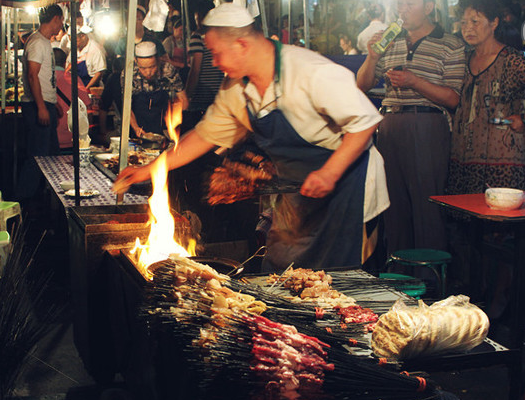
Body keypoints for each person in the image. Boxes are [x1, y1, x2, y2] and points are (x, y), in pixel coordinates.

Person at [114, 3, 389, 272]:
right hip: (299, 195)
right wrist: (148, 170)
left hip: (348, 188)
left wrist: (330, 172)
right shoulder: (236, 88)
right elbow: (202, 137)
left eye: (216, 53)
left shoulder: (309, 70)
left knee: (339, 284)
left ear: (242, 45)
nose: (215, 62)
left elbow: (364, 122)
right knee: (280, 268)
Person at [356, 0, 465, 254]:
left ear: (429, 8)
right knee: (394, 206)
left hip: (427, 125)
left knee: (427, 206)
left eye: (409, 4)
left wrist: (415, 81)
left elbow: (453, 98)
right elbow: (361, 85)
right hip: (391, 123)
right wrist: (373, 57)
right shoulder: (391, 40)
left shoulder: (450, 44)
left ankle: (429, 281)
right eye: (399, 4)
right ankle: (399, 276)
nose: (401, 9)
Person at [448, 0, 525, 195]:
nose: (468, 29)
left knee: (498, 218)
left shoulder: (513, 61)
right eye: (464, 23)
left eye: (475, 21)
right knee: (465, 217)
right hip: (464, 156)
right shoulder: (462, 59)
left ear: (494, 23)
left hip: (504, 159)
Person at [17, 4, 64, 201]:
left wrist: (53, 101)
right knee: (38, 159)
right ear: (55, 19)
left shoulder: (44, 42)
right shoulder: (37, 42)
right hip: (37, 106)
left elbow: (44, 78)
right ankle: (22, 203)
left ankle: (45, 203)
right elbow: (32, 75)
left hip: (45, 103)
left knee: (51, 156)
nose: (61, 25)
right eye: (61, 20)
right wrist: (42, 107)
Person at [124, 41, 187, 138]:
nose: (148, 72)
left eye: (152, 67)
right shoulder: (129, 73)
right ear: (136, 61)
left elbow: (182, 98)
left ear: (158, 60)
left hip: (164, 126)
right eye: (143, 68)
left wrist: (175, 126)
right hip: (138, 124)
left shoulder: (168, 70)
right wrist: (136, 127)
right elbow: (126, 106)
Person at [183, 0, 224, 131]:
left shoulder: (197, 37)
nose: (198, 22)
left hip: (201, 96)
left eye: (199, 17)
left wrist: (187, 95)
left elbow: (195, 70)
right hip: (217, 95)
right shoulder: (220, 36)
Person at [53, 47, 91, 149]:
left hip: (49, 137)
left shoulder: (43, 79)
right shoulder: (74, 79)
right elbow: (86, 104)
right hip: (73, 138)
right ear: (65, 63)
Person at [65, 26, 106, 91]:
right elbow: (68, 67)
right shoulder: (74, 50)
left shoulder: (95, 49)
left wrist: (86, 88)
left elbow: (99, 73)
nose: (73, 43)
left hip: (91, 87)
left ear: (83, 36)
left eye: (75, 40)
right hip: (77, 88)